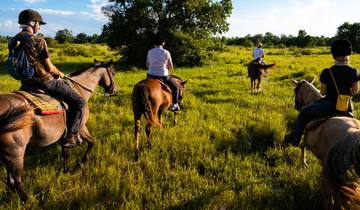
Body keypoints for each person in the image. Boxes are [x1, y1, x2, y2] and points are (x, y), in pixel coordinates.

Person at [9, 9, 85, 147]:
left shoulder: (13, 40)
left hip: (26, 83)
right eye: (39, 24)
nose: (39, 27)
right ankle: (70, 136)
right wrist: (60, 73)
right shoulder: (39, 40)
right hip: (45, 83)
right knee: (79, 102)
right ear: (33, 23)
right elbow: (50, 68)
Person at [284, 39, 360, 147]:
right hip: (346, 106)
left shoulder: (327, 72)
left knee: (304, 112)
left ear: (333, 55)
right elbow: (355, 91)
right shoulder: (354, 71)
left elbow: (323, 92)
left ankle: (295, 138)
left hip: (328, 105)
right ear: (348, 54)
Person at [146, 34, 180, 111]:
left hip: (150, 75)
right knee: (176, 86)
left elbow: (147, 65)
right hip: (163, 75)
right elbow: (171, 66)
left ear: (154, 43)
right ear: (163, 43)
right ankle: (175, 104)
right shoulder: (166, 52)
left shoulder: (150, 52)